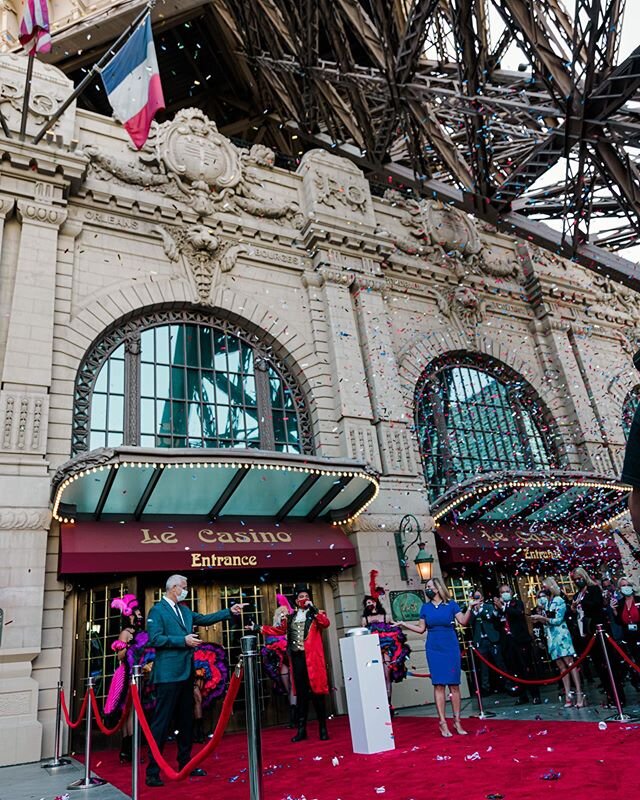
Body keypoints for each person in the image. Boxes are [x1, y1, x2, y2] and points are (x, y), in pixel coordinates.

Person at [144, 574, 247, 787]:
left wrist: (229, 611)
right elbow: (155, 639)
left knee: (186, 721)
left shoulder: (184, 610)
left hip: (186, 674)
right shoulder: (157, 610)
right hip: (167, 675)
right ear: (173, 588)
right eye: (184, 586)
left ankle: (185, 763)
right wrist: (182, 640)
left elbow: (204, 619)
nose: (186, 590)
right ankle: (152, 771)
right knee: (161, 723)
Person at [395, 576, 480, 737]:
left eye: (430, 586)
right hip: (434, 647)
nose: (427, 589)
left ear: (438, 588)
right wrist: (403, 624)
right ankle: (442, 722)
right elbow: (421, 629)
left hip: (450, 645)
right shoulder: (425, 608)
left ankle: (457, 721)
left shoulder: (451, 605)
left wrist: (470, 608)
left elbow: (463, 621)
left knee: (454, 685)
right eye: (426, 587)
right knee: (439, 684)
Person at [259, 585, 331, 743]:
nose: (303, 599)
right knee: (302, 695)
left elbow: (325, 624)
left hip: (313, 659)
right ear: (296, 600)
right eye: (300, 596)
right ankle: (301, 729)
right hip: (297, 659)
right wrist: (259, 628)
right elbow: (278, 631)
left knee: (318, 693)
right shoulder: (290, 618)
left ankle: (323, 728)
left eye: (306, 596)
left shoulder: (316, 615)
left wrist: (314, 609)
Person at [104, 594, 153, 763]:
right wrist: (128, 645)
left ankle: (126, 751)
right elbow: (120, 656)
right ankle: (129, 750)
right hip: (127, 675)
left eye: (139, 613)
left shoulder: (143, 633)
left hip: (139, 674)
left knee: (132, 712)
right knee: (128, 711)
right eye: (135, 614)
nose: (138, 616)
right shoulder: (125, 633)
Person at [570, 566, 624, 705]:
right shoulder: (577, 594)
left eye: (579, 578)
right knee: (599, 667)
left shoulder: (593, 589)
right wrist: (574, 607)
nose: (578, 581)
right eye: (575, 580)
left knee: (609, 664)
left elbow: (597, 605)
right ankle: (609, 695)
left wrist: (582, 602)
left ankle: (618, 696)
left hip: (599, 630)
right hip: (587, 633)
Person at [531, 578, 585, 708]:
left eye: (545, 587)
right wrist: (539, 619)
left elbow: (558, 620)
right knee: (561, 667)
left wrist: (542, 618)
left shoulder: (559, 600)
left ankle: (579, 693)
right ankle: (568, 694)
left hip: (561, 635)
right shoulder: (547, 604)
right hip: (551, 637)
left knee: (570, 664)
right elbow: (547, 621)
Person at [361, 579, 410, 713]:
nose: (369, 604)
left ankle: (388, 705)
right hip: (371, 651)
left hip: (387, 650)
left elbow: (395, 629)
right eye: (367, 603)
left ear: (375, 603)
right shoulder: (365, 620)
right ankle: (379, 705)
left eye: (370, 602)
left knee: (386, 675)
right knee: (375, 677)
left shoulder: (385, 617)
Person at [493, 584, 540, 705]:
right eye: (502, 592)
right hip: (508, 643)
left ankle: (535, 695)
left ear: (511, 592)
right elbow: (496, 625)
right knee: (515, 670)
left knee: (527, 668)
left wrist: (503, 608)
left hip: (521, 641)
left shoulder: (517, 603)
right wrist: (497, 611)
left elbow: (518, 614)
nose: (505, 593)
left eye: (507, 591)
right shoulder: (499, 608)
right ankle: (522, 695)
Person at [260, 593, 297, 728]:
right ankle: (294, 713)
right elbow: (270, 644)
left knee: (294, 686)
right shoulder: (275, 630)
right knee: (287, 686)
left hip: (294, 658)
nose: (283, 614)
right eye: (280, 612)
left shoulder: (293, 626)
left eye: (284, 611)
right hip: (282, 661)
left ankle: (296, 718)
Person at [469, 588, 505, 696]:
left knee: (499, 663)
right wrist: (475, 610)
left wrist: (481, 609)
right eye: (475, 597)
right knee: (484, 666)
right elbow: (469, 622)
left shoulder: (488, 607)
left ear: (482, 598)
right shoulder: (471, 611)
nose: (477, 599)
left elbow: (491, 617)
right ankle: (485, 688)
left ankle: (506, 684)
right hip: (480, 641)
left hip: (491, 639)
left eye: (478, 597)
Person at [611, 577, 640, 691]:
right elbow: (619, 621)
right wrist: (614, 611)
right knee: (633, 661)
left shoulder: (638, 599)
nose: (625, 587)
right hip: (628, 636)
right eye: (623, 585)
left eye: (627, 585)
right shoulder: (620, 603)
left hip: (639, 633)